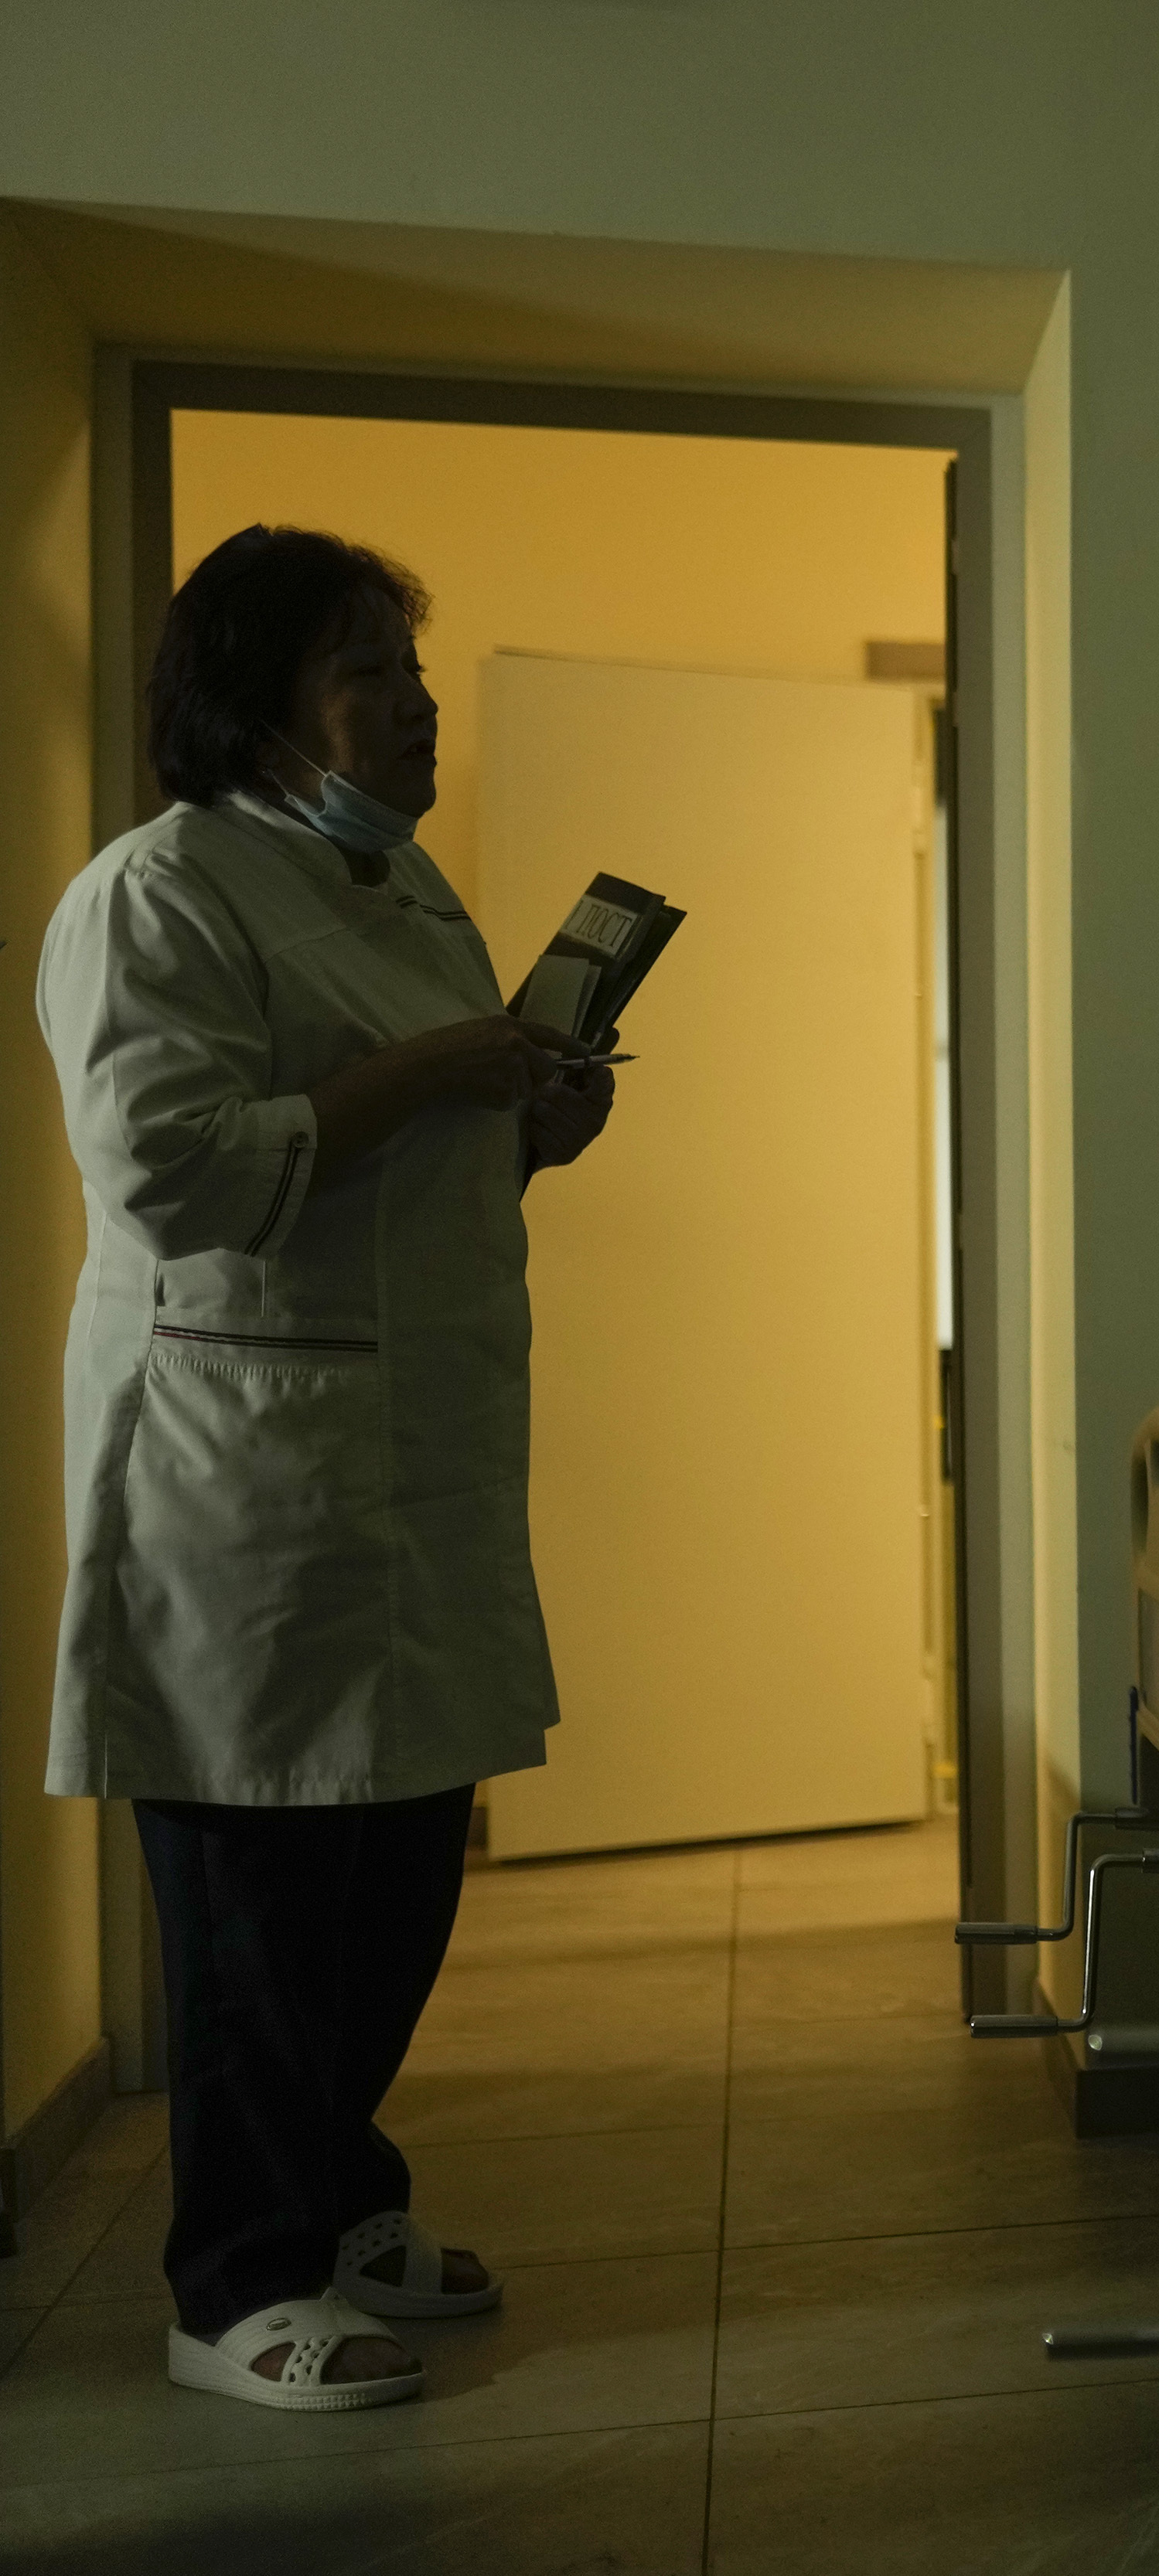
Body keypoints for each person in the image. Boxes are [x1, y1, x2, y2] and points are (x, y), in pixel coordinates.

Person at [36, 525, 612, 2412]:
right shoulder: (160, 893)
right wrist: (439, 1073)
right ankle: (236, 2287)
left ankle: (347, 2205)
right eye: (370, 665)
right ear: (260, 704)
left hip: (410, 1454)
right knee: (262, 1898)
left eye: (414, 666)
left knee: (395, 1861)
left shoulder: (397, 883)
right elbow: (180, 1172)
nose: (415, 699)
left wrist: (536, 1111)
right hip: (243, 1470)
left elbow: (433, 1164)